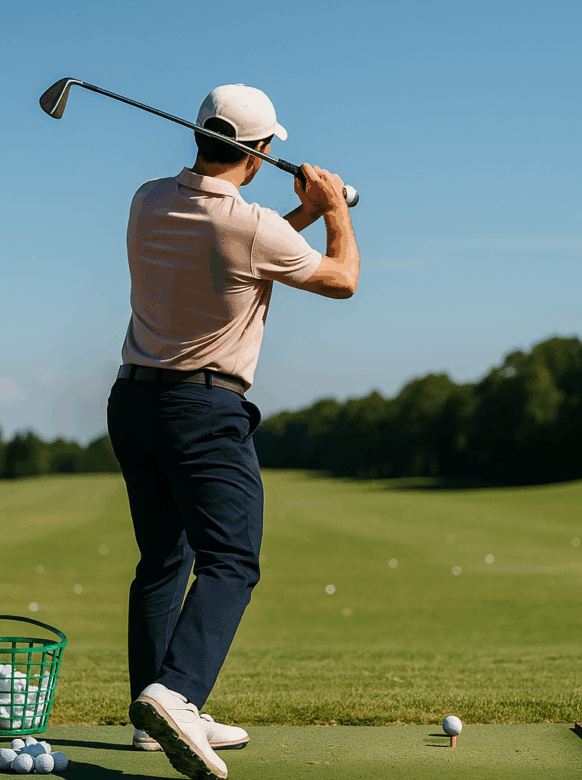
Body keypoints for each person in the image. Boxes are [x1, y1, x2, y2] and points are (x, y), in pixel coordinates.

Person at [105, 83, 359, 780]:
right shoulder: (251, 226)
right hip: (203, 411)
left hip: (134, 404)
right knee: (231, 560)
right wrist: (334, 212)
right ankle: (175, 694)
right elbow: (341, 279)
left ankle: (154, 715)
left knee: (163, 560)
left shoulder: (148, 200)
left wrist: (301, 214)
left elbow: (245, 245)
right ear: (261, 151)